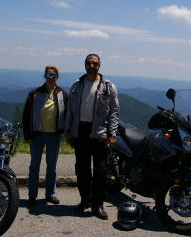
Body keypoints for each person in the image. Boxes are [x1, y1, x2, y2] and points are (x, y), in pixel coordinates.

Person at [65, 54, 120, 220]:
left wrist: (112, 134)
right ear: (85, 65)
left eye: (94, 63)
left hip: (100, 133)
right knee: (82, 169)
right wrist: (68, 130)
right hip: (80, 131)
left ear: (99, 66)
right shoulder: (76, 85)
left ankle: (98, 204)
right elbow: (70, 111)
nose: (91, 65)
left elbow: (114, 113)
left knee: (100, 171)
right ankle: (85, 200)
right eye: (89, 63)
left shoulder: (108, 87)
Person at [22, 66, 68, 206]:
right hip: (37, 135)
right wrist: (28, 134)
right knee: (34, 166)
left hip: (54, 135)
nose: (51, 77)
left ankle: (50, 194)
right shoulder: (34, 94)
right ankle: (32, 195)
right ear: (44, 76)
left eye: (53, 75)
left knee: (51, 167)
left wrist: (67, 133)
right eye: (48, 74)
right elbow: (26, 116)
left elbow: (67, 115)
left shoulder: (62, 94)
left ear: (57, 77)